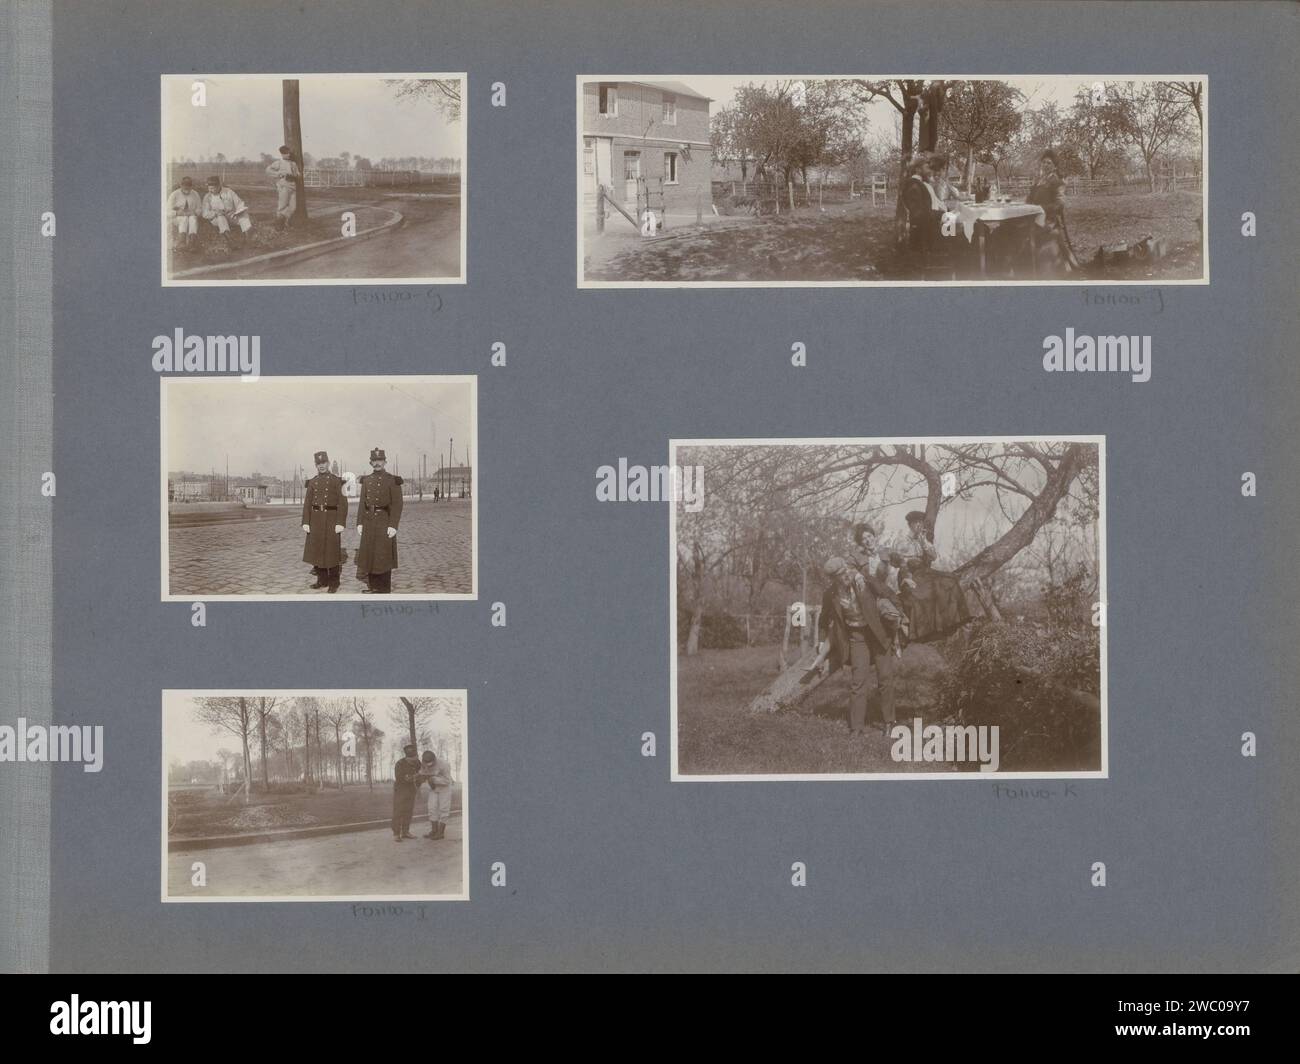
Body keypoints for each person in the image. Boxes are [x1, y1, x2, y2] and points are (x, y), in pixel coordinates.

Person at [816, 556, 897, 737]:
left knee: (885, 678)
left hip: (878, 634)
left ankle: (889, 722)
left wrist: (900, 621)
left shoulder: (865, 580)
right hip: (857, 636)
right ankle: (856, 727)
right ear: (833, 579)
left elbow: (889, 594)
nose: (845, 575)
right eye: (840, 575)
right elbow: (823, 620)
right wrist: (821, 642)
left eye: (845, 570)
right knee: (858, 681)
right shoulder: (830, 594)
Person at [896, 511, 971, 642]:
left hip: (924, 572)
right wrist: (906, 576)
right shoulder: (901, 539)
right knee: (924, 593)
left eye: (921, 522)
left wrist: (923, 541)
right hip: (908, 573)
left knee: (950, 581)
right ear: (910, 525)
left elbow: (934, 556)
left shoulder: (922, 539)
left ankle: (954, 622)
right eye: (916, 523)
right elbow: (898, 562)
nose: (919, 525)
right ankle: (924, 632)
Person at [846, 522, 908, 653]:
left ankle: (897, 637)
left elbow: (902, 561)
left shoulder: (885, 552)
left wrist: (906, 576)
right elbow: (848, 569)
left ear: (874, 536)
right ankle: (895, 637)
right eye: (864, 539)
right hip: (869, 596)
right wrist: (856, 574)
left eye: (869, 536)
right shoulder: (856, 557)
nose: (868, 541)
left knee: (891, 611)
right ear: (860, 542)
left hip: (886, 592)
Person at [355, 447, 404, 594]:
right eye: (374, 461)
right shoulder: (367, 480)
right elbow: (362, 503)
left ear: (385, 462)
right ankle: (373, 586)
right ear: (371, 463)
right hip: (369, 521)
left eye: (380, 460)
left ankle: (384, 589)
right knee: (370, 553)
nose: (377, 463)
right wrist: (359, 522)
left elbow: (397, 504)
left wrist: (393, 525)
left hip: (384, 520)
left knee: (383, 555)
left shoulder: (392, 480)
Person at [300, 450, 348, 593]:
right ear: (316, 465)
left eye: (323, 463)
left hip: (332, 519)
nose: (321, 466)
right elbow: (307, 503)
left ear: (328, 463)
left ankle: (334, 582)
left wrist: (340, 522)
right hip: (316, 519)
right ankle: (321, 580)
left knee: (332, 550)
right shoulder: (313, 482)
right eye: (318, 463)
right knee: (317, 550)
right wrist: (306, 521)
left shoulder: (337, 481)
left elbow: (343, 503)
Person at [1026, 149, 1081, 270]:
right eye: (1044, 162)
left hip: (1048, 220)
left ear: (1054, 167)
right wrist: (1029, 206)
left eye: (1049, 163)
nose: (1045, 165)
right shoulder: (1038, 181)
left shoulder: (1057, 182)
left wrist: (1040, 209)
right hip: (1033, 217)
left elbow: (1059, 204)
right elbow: (1028, 199)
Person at [900, 156, 945, 251]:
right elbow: (917, 213)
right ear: (917, 169)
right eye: (926, 167)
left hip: (925, 225)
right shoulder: (914, 185)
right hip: (921, 231)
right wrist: (939, 214)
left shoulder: (919, 183)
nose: (929, 170)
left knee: (951, 221)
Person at [201, 176, 253, 241]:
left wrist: (237, 211)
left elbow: (239, 203)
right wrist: (216, 213)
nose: (210, 190)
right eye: (209, 188)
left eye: (212, 188)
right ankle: (230, 240)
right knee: (221, 217)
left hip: (230, 216)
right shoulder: (208, 196)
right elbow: (204, 213)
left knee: (244, 214)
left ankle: (249, 238)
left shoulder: (228, 192)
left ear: (218, 186)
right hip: (217, 219)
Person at [418, 750, 452, 840]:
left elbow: (448, 781)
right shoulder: (424, 763)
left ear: (434, 759)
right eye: (426, 762)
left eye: (430, 763)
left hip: (444, 788)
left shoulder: (444, 764)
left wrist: (433, 779)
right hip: (433, 788)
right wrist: (420, 777)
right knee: (432, 808)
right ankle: (434, 830)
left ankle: (441, 833)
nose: (428, 765)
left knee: (444, 809)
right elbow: (422, 772)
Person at [265, 145, 301, 230]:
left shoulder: (293, 163)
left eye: (289, 153)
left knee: (293, 207)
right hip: (283, 186)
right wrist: (279, 174)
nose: (288, 155)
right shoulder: (279, 163)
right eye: (286, 153)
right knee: (282, 206)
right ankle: (279, 225)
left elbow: (298, 174)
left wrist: (295, 175)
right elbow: (268, 170)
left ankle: (284, 222)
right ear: (282, 154)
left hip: (293, 186)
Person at [391, 744, 421, 841]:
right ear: (406, 757)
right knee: (398, 811)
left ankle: (405, 832)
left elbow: (421, 775)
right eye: (411, 759)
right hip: (400, 790)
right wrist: (413, 777)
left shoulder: (417, 763)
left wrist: (418, 781)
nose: (414, 761)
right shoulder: (399, 764)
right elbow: (400, 778)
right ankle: (396, 833)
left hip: (411, 790)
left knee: (408, 811)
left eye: (415, 758)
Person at [166, 176, 201, 250]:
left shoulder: (195, 194)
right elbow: (166, 211)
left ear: (191, 186)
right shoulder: (174, 194)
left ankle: (192, 243)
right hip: (177, 218)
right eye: (185, 188)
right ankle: (182, 242)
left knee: (193, 219)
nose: (187, 190)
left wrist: (194, 212)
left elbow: (199, 209)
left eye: (189, 188)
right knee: (184, 218)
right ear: (181, 186)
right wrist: (177, 213)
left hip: (191, 216)